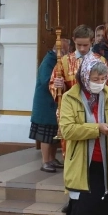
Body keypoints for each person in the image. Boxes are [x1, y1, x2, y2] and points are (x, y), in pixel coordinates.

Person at [60, 55, 108, 215]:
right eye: (95, 79)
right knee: (79, 214)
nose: (100, 83)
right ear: (85, 77)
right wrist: (96, 128)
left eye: (103, 79)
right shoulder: (69, 98)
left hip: (106, 164)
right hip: (82, 164)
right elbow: (68, 130)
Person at [29, 39, 70, 173]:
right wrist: (57, 82)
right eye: (67, 50)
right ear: (60, 50)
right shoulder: (48, 62)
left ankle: (52, 159)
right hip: (45, 105)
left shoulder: (56, 61)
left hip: (53, 105)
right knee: (46, 135)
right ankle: (45, 161)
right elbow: (47, 81)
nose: (68, 53)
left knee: (53, 134)